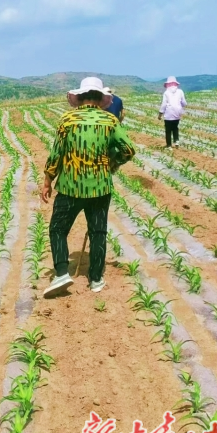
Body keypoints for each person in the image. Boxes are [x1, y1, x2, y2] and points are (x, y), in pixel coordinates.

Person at [41, 77, 136, 297]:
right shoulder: (110, 121)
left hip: (69, 186)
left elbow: (56, 155)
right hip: (100, 186)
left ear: (80, 97)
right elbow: (128, 150)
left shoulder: (66, 120)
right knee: (98, 232)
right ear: (101, 98)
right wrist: (112, 161)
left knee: (58, 229)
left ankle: (62, 273)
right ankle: (95, 279)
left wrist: (47, 181)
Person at [158, 76, 187, 148]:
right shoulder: (180, 91)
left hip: (168, 114)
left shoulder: (166, 93)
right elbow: (184, 103)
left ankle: (169, 146)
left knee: (168, 130)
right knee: (175, 127)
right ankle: (176, 141)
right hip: (177, 113)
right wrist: (180, 106)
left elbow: (164, 104)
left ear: (168, 84)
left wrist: (160, 114)